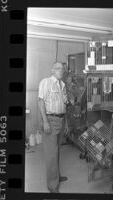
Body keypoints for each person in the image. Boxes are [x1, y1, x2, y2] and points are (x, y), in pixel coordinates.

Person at [38, 62, 69, 193]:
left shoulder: (62, 85)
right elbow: (40, 101)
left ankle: (56, 176)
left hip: (61, 120)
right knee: (51, 154)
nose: (61, 70)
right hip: (50, 120)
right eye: (58, 68)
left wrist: (66, 123)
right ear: (52, 70)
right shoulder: (46, 82)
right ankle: (52, 186)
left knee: (56, 151)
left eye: (62, 69)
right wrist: (45, 122)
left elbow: (64, 105)